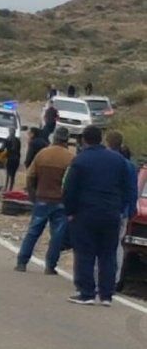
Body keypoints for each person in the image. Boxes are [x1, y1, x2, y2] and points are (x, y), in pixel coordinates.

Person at [64, 125, 134, 305]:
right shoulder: (118, 161)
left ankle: (86, 292)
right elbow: (128, 188)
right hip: (111, 213)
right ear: (101, 139)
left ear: (84, 140)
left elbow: (70, 188)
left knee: (85, 252)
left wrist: (70, 211)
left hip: (85, 213)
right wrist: (122, 209)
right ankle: (106, 295)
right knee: (108, 254)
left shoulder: (80, 160)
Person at [15, 127, 73, 274]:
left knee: (33, 232)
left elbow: (30, 176)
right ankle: (50, 266)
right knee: (57, 236)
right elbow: (73, 182)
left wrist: (33, 196)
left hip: (42, 199)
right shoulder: (70, 158)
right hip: (61, 202)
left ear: (54, 138)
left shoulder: (42, 154)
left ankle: (22, 262)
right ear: (66, 140)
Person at [106, 130, 139, 286]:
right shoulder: (130, 167)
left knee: (99, 243)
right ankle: (115, 278)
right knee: (117, 244)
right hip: (122, 211)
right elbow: (133, 190)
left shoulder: (104, 160)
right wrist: (131, 210)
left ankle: (97, 276)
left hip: (105, 209)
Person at [3, 127, 22, 192]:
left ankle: (6, 188)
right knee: (12, 175)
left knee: (8, 174)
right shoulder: (17, 140)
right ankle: (10, 188)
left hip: (10, 158)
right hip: (16, 159)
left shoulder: (7, 139)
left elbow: (3, 148)